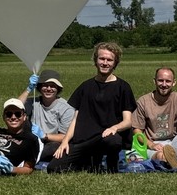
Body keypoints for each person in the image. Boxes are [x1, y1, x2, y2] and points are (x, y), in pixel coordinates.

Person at [48, 42, 136, 173]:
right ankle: (89, 163)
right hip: (85, 140)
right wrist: (65, 141)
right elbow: (75, 119)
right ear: (95, 60)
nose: (105, 63)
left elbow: (128, 121)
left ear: (115, 63)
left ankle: (112, 167)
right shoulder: (85, 87)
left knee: (113, 140)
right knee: (54, 168)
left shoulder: (123, 87)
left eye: (109, 60)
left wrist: (114, 128)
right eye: (102, 58)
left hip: (107, 138)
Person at [130, 67, 177, 169]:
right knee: (160, 156)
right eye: (160, 80)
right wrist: (151, 145)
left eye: (168, 81)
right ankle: (169, 160)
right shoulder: (143, 101)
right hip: (151, 145)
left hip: (172, 143)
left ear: (174, 83)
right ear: (154, 81)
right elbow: (136, 130)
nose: (164, 84)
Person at [17, 69, 74, 163]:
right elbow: (15, 106)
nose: (48, 89)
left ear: (58, 88)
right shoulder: (33, 102)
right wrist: (28, 89)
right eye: (45, 85)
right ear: (39, 87)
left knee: (53, 147)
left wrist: (44, 135)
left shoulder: (66, 108)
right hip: (32, 140)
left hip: (51, 142)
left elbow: (64, 136)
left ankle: (25, 158)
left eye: (52, 86)